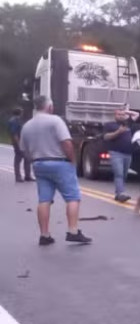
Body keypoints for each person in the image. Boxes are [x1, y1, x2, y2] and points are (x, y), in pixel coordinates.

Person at [18, 95, 91, 245]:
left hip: (39, 164)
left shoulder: (27, 126)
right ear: (49, 107)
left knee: (44, 199)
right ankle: (73, 231)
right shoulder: (55, 121)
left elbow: (23, 150)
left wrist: (35, 159)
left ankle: (44, 235)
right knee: (72, 197)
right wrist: (72, 161)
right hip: (59, 163)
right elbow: (66, 143)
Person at [102, 108, 139, 202]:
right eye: (119, 114)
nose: (121, 116)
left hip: (128, 153)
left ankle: (118, 193)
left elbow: (137, 114)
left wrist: (126, 112)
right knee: (119, 173)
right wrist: (118, 132)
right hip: (116, 153)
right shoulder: (109, 125)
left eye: (122, 115)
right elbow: (106, 137)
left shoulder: (127, 123)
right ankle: (121, 193)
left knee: (124, 174)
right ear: (114, 115)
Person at [7, 106, 33, 182]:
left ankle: (27, 175)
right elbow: (14, 133)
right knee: (18, 159)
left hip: (21, 141)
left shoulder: (17, 120)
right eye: (21, 111)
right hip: (18, 142)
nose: (22, 113)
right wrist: (18, 144)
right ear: (19, 113)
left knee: (27, 158)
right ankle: (18, 177)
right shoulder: (14, 121)